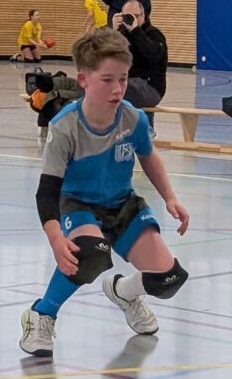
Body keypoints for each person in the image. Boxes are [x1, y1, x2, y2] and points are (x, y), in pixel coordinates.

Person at [19, 28, 190, 358]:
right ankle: (41, 314)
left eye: (123, 79)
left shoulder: (133, 118)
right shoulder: (65, 126)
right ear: (83, 80)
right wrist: (55, 239)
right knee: (90, 255)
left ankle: (124, 292)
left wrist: (170, 196)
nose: (117, 88)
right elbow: (46, 192)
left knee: (169, 278)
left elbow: (148, 156)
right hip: (78, 205)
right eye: (107, 80)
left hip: (123, 205)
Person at [112, 0, 167, 111]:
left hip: (151, 87)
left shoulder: (154, 34)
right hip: (128, 82)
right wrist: (114, 33)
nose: (132, 19)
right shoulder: (122, 34)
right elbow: (108, 59)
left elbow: (152, 54)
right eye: (127, 16)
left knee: (119, 89)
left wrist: (135, 30)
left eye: (135, 16)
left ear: (143, 16)